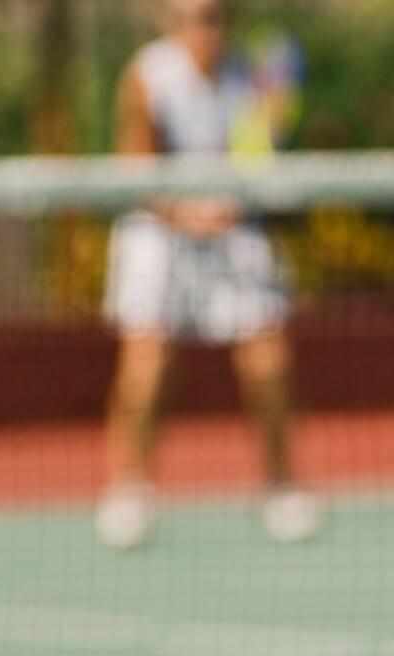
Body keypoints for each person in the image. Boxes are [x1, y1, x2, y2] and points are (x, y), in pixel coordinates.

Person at [95, 0, 319, 549]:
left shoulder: (253, 78)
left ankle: (281, 487)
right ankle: (129, 490)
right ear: (173, 23)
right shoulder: (147, 78)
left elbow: (255, 157)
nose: (206, 28)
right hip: (160, 232)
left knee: (268, 363)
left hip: (233, 231)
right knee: (145, 370)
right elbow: (136, 169)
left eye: (215, 17)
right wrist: (186, 212)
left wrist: (232, 202)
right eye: (194, 17)